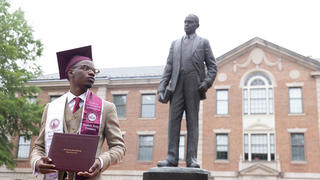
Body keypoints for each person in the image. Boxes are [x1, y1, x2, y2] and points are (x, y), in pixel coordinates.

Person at [30, 46, 126, 180]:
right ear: (71, 73)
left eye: (94, 70)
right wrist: (37, 161)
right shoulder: (51, 108)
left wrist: (101, 161)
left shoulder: (106, 108)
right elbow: (39, 146)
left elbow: (118, 147)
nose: (92, 73)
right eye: (86, 68)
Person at [157, 14, 217, 168]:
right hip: (176, 85)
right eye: (185, 22)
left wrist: (206, 82)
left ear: (196, 25)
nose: (186, 24)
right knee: (173, 121)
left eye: (190, 22)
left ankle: (191, 158)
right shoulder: (175, 43)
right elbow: (168, 67)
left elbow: (212, 66)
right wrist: (161, 87)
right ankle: (171, 158)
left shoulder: (203, 42)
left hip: (194, 85)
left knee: (192, 122)